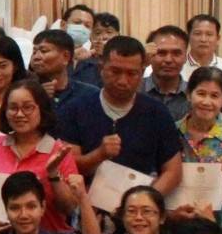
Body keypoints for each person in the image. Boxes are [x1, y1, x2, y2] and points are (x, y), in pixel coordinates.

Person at [58, 35, 183, 197]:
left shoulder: (157, 113)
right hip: (86, 204)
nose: (123, 81)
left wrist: (145, 201)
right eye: (115, 72)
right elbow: (68, 166)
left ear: (142, 72)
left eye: (132, 73)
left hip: (141, 206)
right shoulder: (75, 109)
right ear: (101, 68)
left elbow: (173, 171)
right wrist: (99, 155)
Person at [0, 80, 80, 234]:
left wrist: (53, 175)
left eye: (27, 107)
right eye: (13, 108)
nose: (19, 114)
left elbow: (69, 208)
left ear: (42, 109)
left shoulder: (59, 151)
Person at [176, 67, 222, 231]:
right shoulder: (170, 133)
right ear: (188, 94)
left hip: (220, 229)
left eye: (214, 96)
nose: (206, 102)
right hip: (178, 226)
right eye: (201, 93)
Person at [30, 28, 97, 113]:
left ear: (66, 56)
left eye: (44, 51)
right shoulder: (23, 92)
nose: (36, 57)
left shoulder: (89, 94)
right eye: (34, 52)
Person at [141, 26, 191, 120]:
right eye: (161, 53)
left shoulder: (194, 95)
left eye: (176, 53)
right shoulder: (133, 91)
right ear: (149, 55)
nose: (168, 60)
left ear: (185, 57)